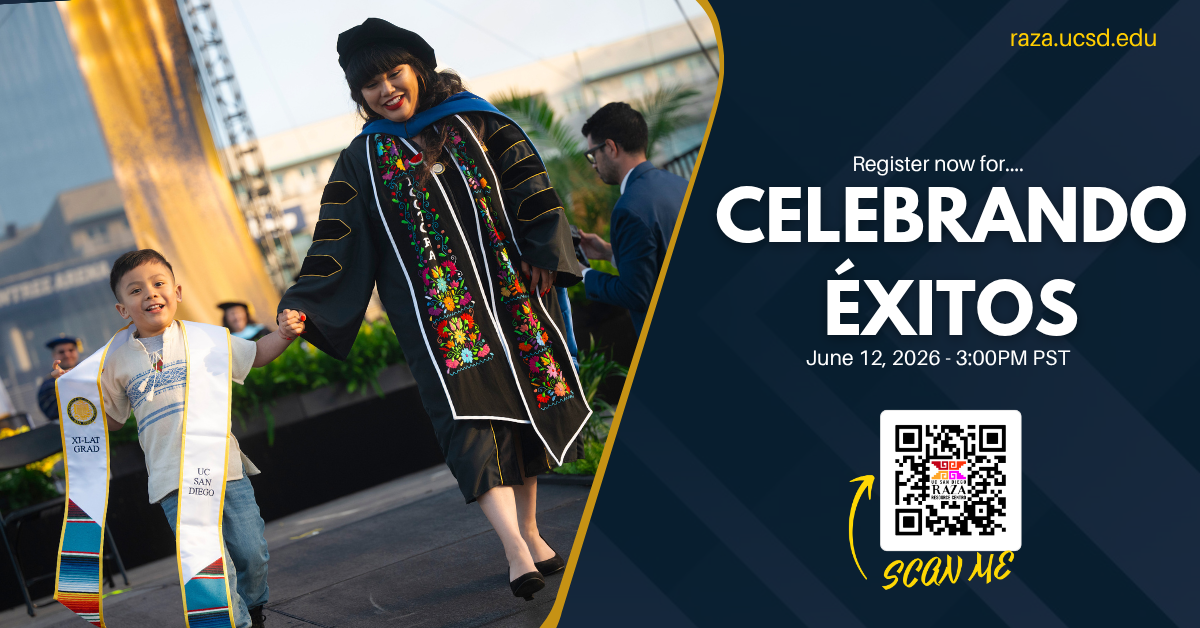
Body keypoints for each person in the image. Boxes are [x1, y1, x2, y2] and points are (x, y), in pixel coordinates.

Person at [277, 18, 590, 601]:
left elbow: (529, 182)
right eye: (370, 84)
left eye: (393, 74)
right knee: (469, 422)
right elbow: (336, 236)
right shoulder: (362, 160)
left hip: (511, 294)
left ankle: (530, 532)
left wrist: (545, 251)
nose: (386, 90)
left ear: (417, 69)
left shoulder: (476, 121)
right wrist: (304, 303)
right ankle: (513, 549)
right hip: (440, 319)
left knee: (524, 411)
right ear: (358, 94)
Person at [59, 249, 305, 628]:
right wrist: (76, 394)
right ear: (123, 310)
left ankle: (253, 606)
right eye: (136, 290)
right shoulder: (116, 360)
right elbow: (113, 421)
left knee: (250, 551)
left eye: (158, 284)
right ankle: (236, 622)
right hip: (171, 480)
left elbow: (255, 354)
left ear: (176, 292)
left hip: (225, 470)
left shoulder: (206, 339)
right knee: (209, 564)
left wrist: (285, 334)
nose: (150, 293)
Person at [578, 102, 687, 333]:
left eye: (592, 154)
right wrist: (608, 253)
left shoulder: (628, 208)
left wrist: (583, 274)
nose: (594, 165)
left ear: (610, 148)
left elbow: (636, 294)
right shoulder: (681, 185)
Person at [37, 335, 82, 421]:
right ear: (54, 355)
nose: (67, 355)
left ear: (77, 352)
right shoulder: (49, 384)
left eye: (71, 350)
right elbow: (53, 412)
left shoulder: (92, 372)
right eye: (61, 352)